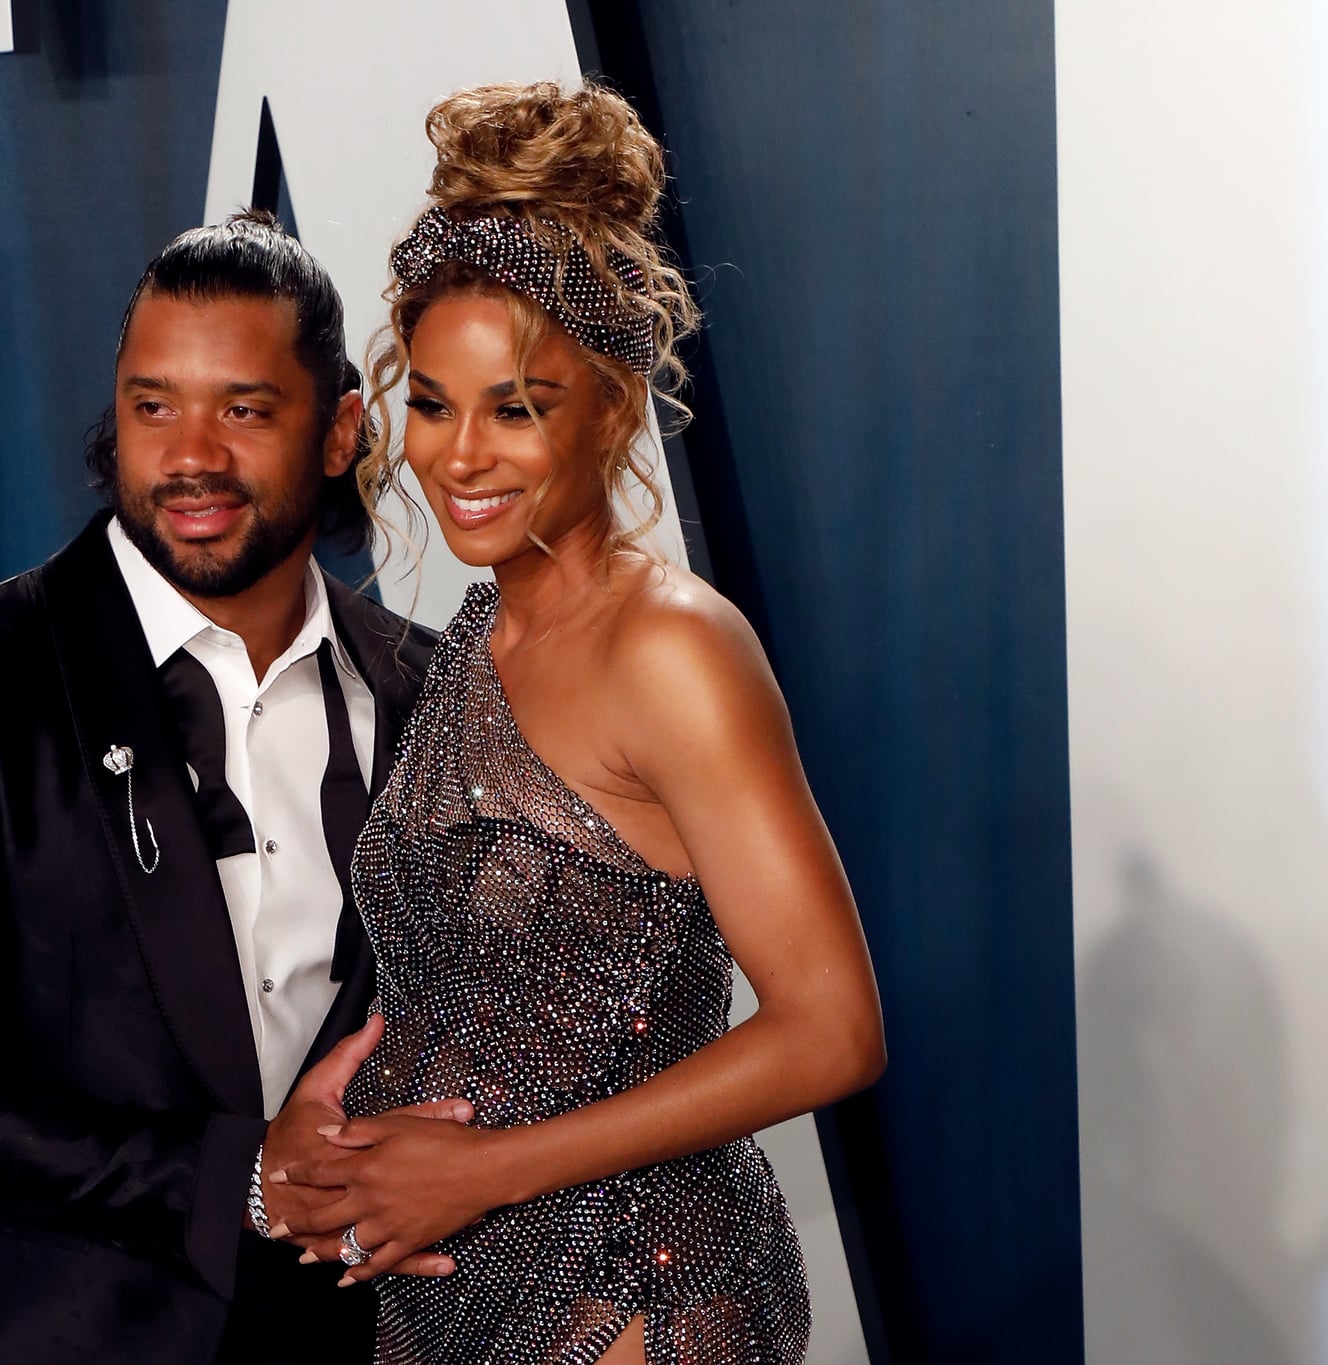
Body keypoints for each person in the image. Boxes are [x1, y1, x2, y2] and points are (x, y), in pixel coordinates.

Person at [266, 83, 887, 1364]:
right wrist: (341, 1153)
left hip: (633, 1293)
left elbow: (829, 1028)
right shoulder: (475, 645)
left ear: (609, 405)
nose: (458, 456)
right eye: (431, 404)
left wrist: (485, 1169)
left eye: (517, 407)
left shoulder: (669, 648)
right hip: (452, 1288)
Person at [0, 211, 470, 1364]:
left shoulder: (432, 690)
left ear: (339, 433)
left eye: (244, 410)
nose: (190, 458)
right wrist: (238, 1182)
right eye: (151, 404)